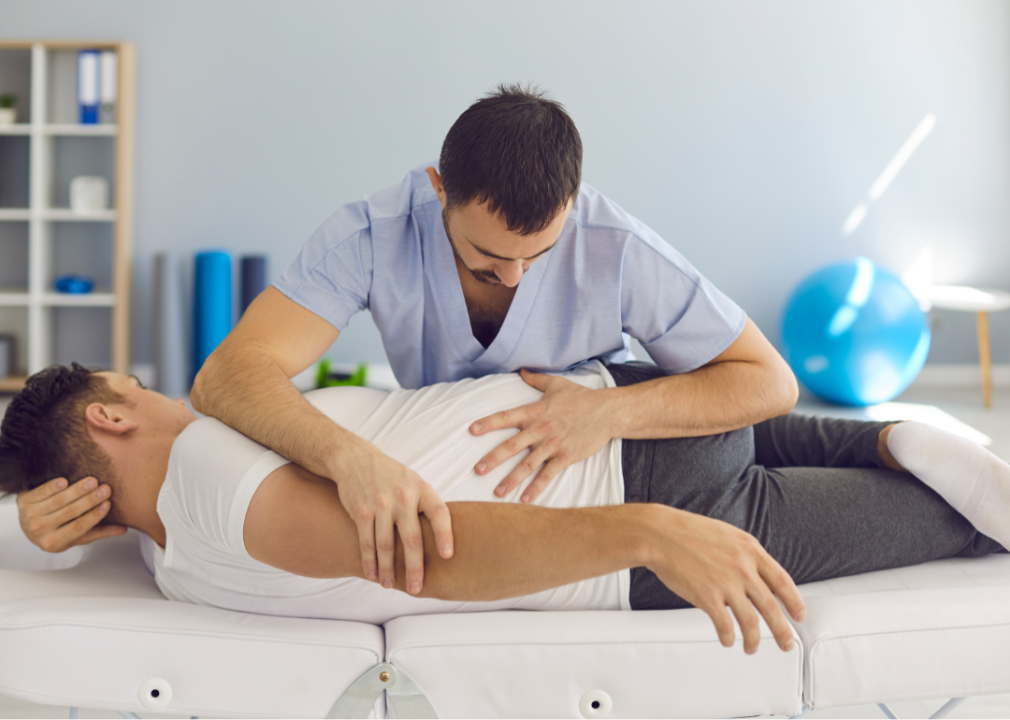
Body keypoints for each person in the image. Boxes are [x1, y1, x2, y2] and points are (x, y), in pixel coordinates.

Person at [17, 84, 801, 596]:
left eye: (542, 254)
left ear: (572, 207)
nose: (519, 277)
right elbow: (227, 379)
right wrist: (352, 461)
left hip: (622, 426)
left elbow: (767, 385)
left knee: (805, 445)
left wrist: (608, 417)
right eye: (490, 258)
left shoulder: (613, 243)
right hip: (542, 475)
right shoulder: (372, 234)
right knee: (839, 463)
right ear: (438, 193)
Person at [4, 363, 1008, 655]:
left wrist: (649, 533)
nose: (153, 383)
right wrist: (649, 530)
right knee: (805, 447)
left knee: (953, 521)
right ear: (110, 415)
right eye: (129, 381)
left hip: (634, 476)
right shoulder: (203, 488)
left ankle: (908, 453)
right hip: (623, 432)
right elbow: (421, 554)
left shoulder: (178, 531)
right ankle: (891, 436)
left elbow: (408, 549)